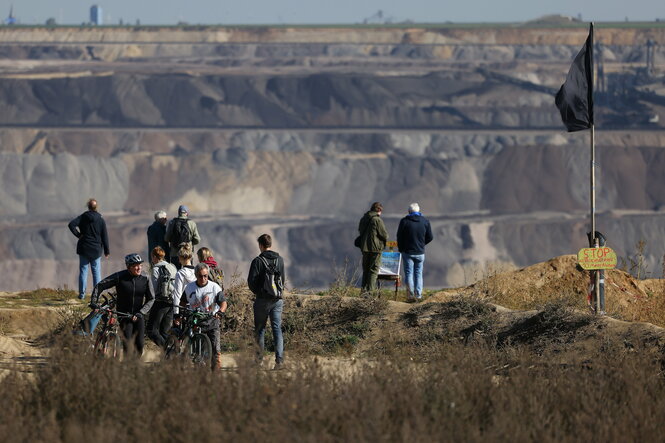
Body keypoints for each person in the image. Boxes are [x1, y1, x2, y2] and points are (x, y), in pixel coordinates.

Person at [90, 253, 155, 356]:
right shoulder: (120, 277)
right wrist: (94, 301)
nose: (139, 268)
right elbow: (100, 285)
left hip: (139, 315)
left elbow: (151, 299)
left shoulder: (145, 279)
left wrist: (141, 312)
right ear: (129, 267)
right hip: (124, 315)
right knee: (127, 342)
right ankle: (127, 366)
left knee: (139, 344)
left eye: (140, 265)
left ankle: (135, 366)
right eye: (135, 265)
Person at [247, 234, 285, 369]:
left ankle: (259, 362)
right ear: (270, 244)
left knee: (260, 330)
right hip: (277, 300)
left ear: (260, 245)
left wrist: (259, 292)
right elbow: (283, 280)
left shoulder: (257, 261)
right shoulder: (279, 260)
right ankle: (279, 362)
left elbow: (251, 282)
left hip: (262, 300)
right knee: (277, 329)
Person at [182, 263, 227, 370]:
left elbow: (223, 303)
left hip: (212, 321)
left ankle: (216, 374)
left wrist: (220, 312)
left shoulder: (214, 287)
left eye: (205, 276)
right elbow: (183, 302)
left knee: (215, 350)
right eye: (200, 276)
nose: (203, 278)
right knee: (198, 353)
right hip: (197, 322)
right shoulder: (189, 287)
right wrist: (182, 313)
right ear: (196, 275)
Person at [68, 198, 110, 300]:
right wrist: (107, 251)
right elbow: (105, 236)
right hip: (96, 250)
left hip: (84, 248)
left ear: (88, 206)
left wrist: (79, 235)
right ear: (97, 207)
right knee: (96, 273)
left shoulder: (83, 217)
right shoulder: (100, 220)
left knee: (83, 272)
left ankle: (82, 295)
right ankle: (97, 295)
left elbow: (71, 224)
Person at [396, 203, 434, 302]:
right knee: (418, 273)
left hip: (407, 252)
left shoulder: (404, 221)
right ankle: (419, 295)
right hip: (420, 252)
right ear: (419, 211)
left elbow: (399, 237)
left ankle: (410, 295)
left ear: (409, 211)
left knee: (409, 273)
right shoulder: (425, 221)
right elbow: (430, 237)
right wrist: (422, 244)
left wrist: (401, 248)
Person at [147, 246, 177, 348]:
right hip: (172, 302)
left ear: (154, 257)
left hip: (160, 302)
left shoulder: (156, 269)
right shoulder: (171, 266)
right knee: (164, 332)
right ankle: (173, 354)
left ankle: (169, 352)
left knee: (151, 330)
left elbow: (153, 289)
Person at [358, 202, 388, 293]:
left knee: (365, 270)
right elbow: (384, 235)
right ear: (379, 210)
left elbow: (360, 230)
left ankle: (363, 291)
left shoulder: (364, 218)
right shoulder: (377, 220)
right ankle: (370, 292)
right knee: (373, 270)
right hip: (375, 248)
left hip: (364, 248)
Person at [171, 243, 196, 315]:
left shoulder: (180, 273)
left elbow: (177, 294)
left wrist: (176, 312)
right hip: (195, 306)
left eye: (179, 258)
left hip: (183, 306)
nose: (179, 261)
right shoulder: (196, 272)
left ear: (182, 258)